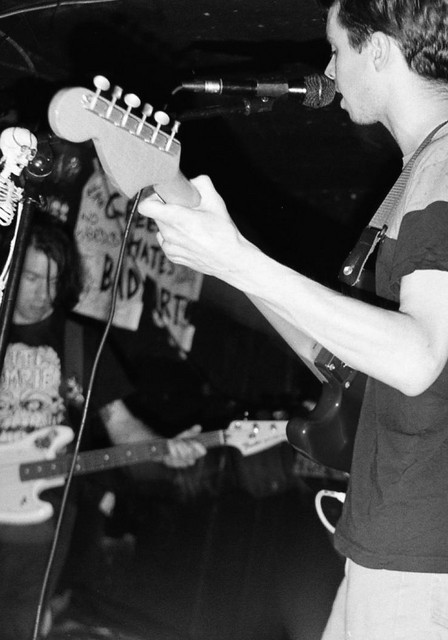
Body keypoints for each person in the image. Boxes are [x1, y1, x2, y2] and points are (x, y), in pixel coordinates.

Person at [138, 1, 448, 638]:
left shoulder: (443, 165)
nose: (328, 70)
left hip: (418, 558)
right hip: (389, 542)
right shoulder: (420, 172)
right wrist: (228, 263)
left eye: (336, 49)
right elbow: (350, 360)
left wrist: (241, 261)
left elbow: (418, 356)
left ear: (379, 49)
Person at [0, 212, 205, 640]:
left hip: (37, 527)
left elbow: (122, 426)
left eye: (54, 281)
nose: (43, 294)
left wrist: (163, 449)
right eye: (33, 278)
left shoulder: (79, 342)